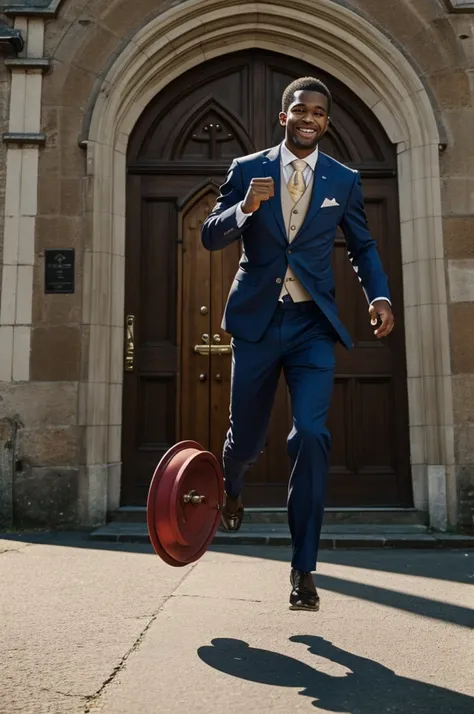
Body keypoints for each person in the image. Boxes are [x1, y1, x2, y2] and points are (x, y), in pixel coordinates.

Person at [201, 77, 394, 611]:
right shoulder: (247, 169)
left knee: (310, 433)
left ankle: (303, 569)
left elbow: (363, 245)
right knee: (247, 439)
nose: (308, 118)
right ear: (284, 117)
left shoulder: (343, 179)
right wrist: (243, 209)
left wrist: (379, 296)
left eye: (318, 113)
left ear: (326, 123)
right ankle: (232, 484)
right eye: (300, 110)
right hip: (258, 324)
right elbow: (209, 234)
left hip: (312, 325)